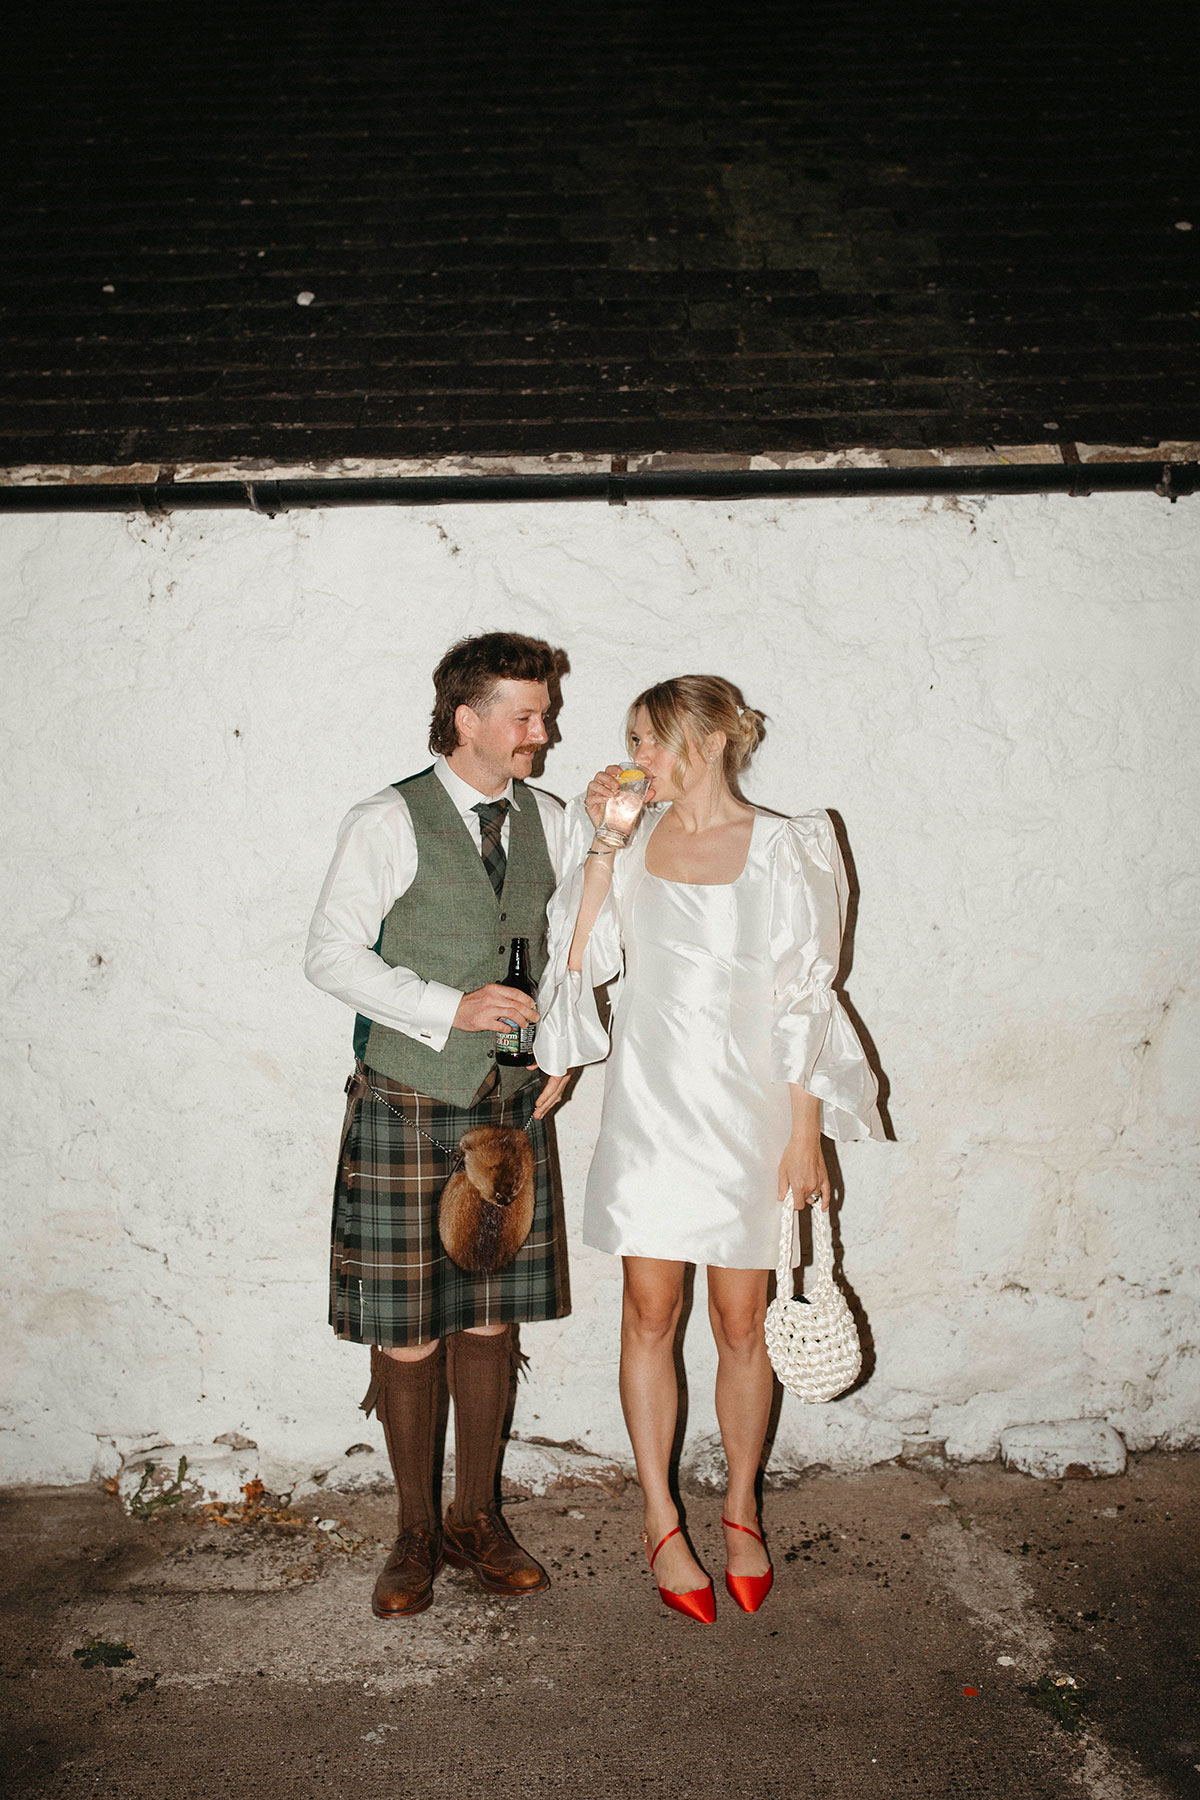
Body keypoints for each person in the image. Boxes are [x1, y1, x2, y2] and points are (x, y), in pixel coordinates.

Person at [535, 675, 884, 1624]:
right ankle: (658, 1516)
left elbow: (808, 996)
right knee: (650, 1308)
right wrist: (605, 841)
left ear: (702, 739)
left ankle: (739, 1509)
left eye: (647, 739)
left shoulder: (786, 844)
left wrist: (805, 1133)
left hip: (749, 1115)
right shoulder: (627, 839)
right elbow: (580, 958)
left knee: (741, 1321)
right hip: (652, 1107)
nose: (634, 755)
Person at [304, 631, 582, 1619]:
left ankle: (477, 1520)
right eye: (524, 714)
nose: (541, 732)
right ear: (466, 719)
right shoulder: (386, 819)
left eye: (543, 713)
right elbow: (330, 955)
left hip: (509, 1109)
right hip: (408, 1099)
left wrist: (569, 1049)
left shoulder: (554, 819)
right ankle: (414, 1534)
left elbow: (582, 954)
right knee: (412, 1331)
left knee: (490, 1317)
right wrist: (447, 1008)